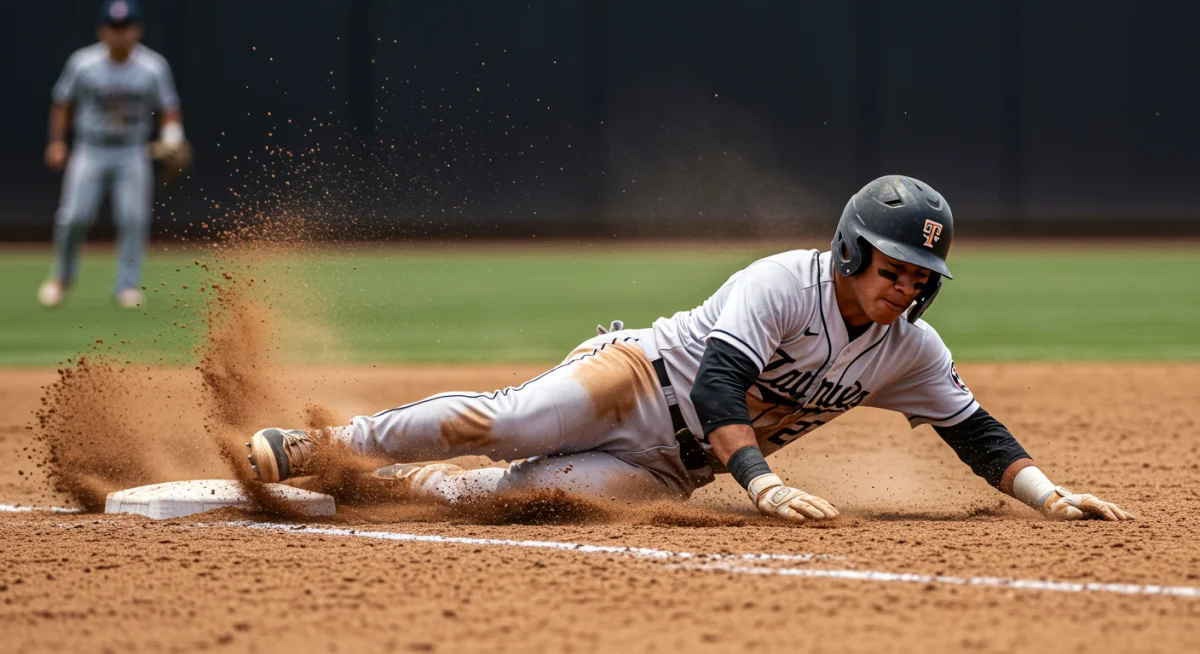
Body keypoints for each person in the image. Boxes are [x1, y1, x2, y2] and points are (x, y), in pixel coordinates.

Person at [247, 175, 1133, 523]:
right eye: (896, 266)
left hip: (674, 470)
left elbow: (975, 429)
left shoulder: (909, 349)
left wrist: (1048, 496)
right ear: (853, 250)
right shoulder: (782, 282)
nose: (908, 286)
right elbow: (717, 385)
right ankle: (330, 445)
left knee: (533, 500)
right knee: (512, 423)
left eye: (922, 275)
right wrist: (764, 483)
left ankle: (382, 488)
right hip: (639, 381)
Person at [40, 0, 186, 309]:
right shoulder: (83, 63)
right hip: (90, 147)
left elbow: (169, 108)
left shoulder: (153, 66)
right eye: (113, 28)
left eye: (125, 28)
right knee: (73, 217)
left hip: (132, 150)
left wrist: (172, 135)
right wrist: (57, 142)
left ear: (138, 31)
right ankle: (61, 277)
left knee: (133, 219)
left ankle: (126, 286)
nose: (119, 35)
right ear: (102, 31)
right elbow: (63, 103)